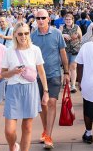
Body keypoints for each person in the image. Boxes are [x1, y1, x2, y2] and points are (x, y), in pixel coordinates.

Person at [1, 22, 50, 151]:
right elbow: (3, 74)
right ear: (15, 35)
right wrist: (14, 71)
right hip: (13, 89)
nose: (23, 36)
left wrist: (45, 91)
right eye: (20, 34)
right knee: (9, 131)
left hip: (30, 89)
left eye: (26, 33)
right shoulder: (9, 51)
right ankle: (13, 146)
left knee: (27, 127)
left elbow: (41, 71)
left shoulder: (35, 50)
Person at [30, 9, 70, 149]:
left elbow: (63, 53)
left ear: (49, 19)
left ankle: (48, 135)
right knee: (42, 104)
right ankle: (46, 130)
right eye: (38, 18)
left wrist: (66, 72)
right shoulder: (32, 36)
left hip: (54, 74)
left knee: (51, 102)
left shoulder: (57, 34)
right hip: (38, 76)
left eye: (43, 18)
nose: (40, 20)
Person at [60, 12, 82, 93]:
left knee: (73, 67)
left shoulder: (77, 27)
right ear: (64, 20)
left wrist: (76, 36)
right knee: (67, 67)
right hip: (65, 50)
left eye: (70, 19)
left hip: (75, 50)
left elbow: (80, 37)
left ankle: (73, 85)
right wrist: (63, 35)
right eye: (67, 19)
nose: (68, 21)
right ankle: (67, 84)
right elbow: (58, 37)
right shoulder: (62, 27)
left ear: (73, 20)